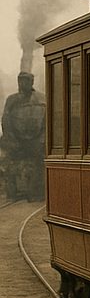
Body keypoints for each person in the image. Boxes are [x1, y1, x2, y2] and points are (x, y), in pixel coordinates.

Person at [1, 71, 46, 202]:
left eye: (26, 80)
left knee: (39, 163)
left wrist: (42, 138)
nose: (22, 83)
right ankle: (13, 192)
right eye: (20, 80)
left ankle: (36, 193)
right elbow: (6, 121)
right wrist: (12, 139)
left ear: (32, 82)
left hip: (37, 141)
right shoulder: (12, 100)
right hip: (17, 141)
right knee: (10, 163)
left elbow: (46, 121)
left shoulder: (42, 99)